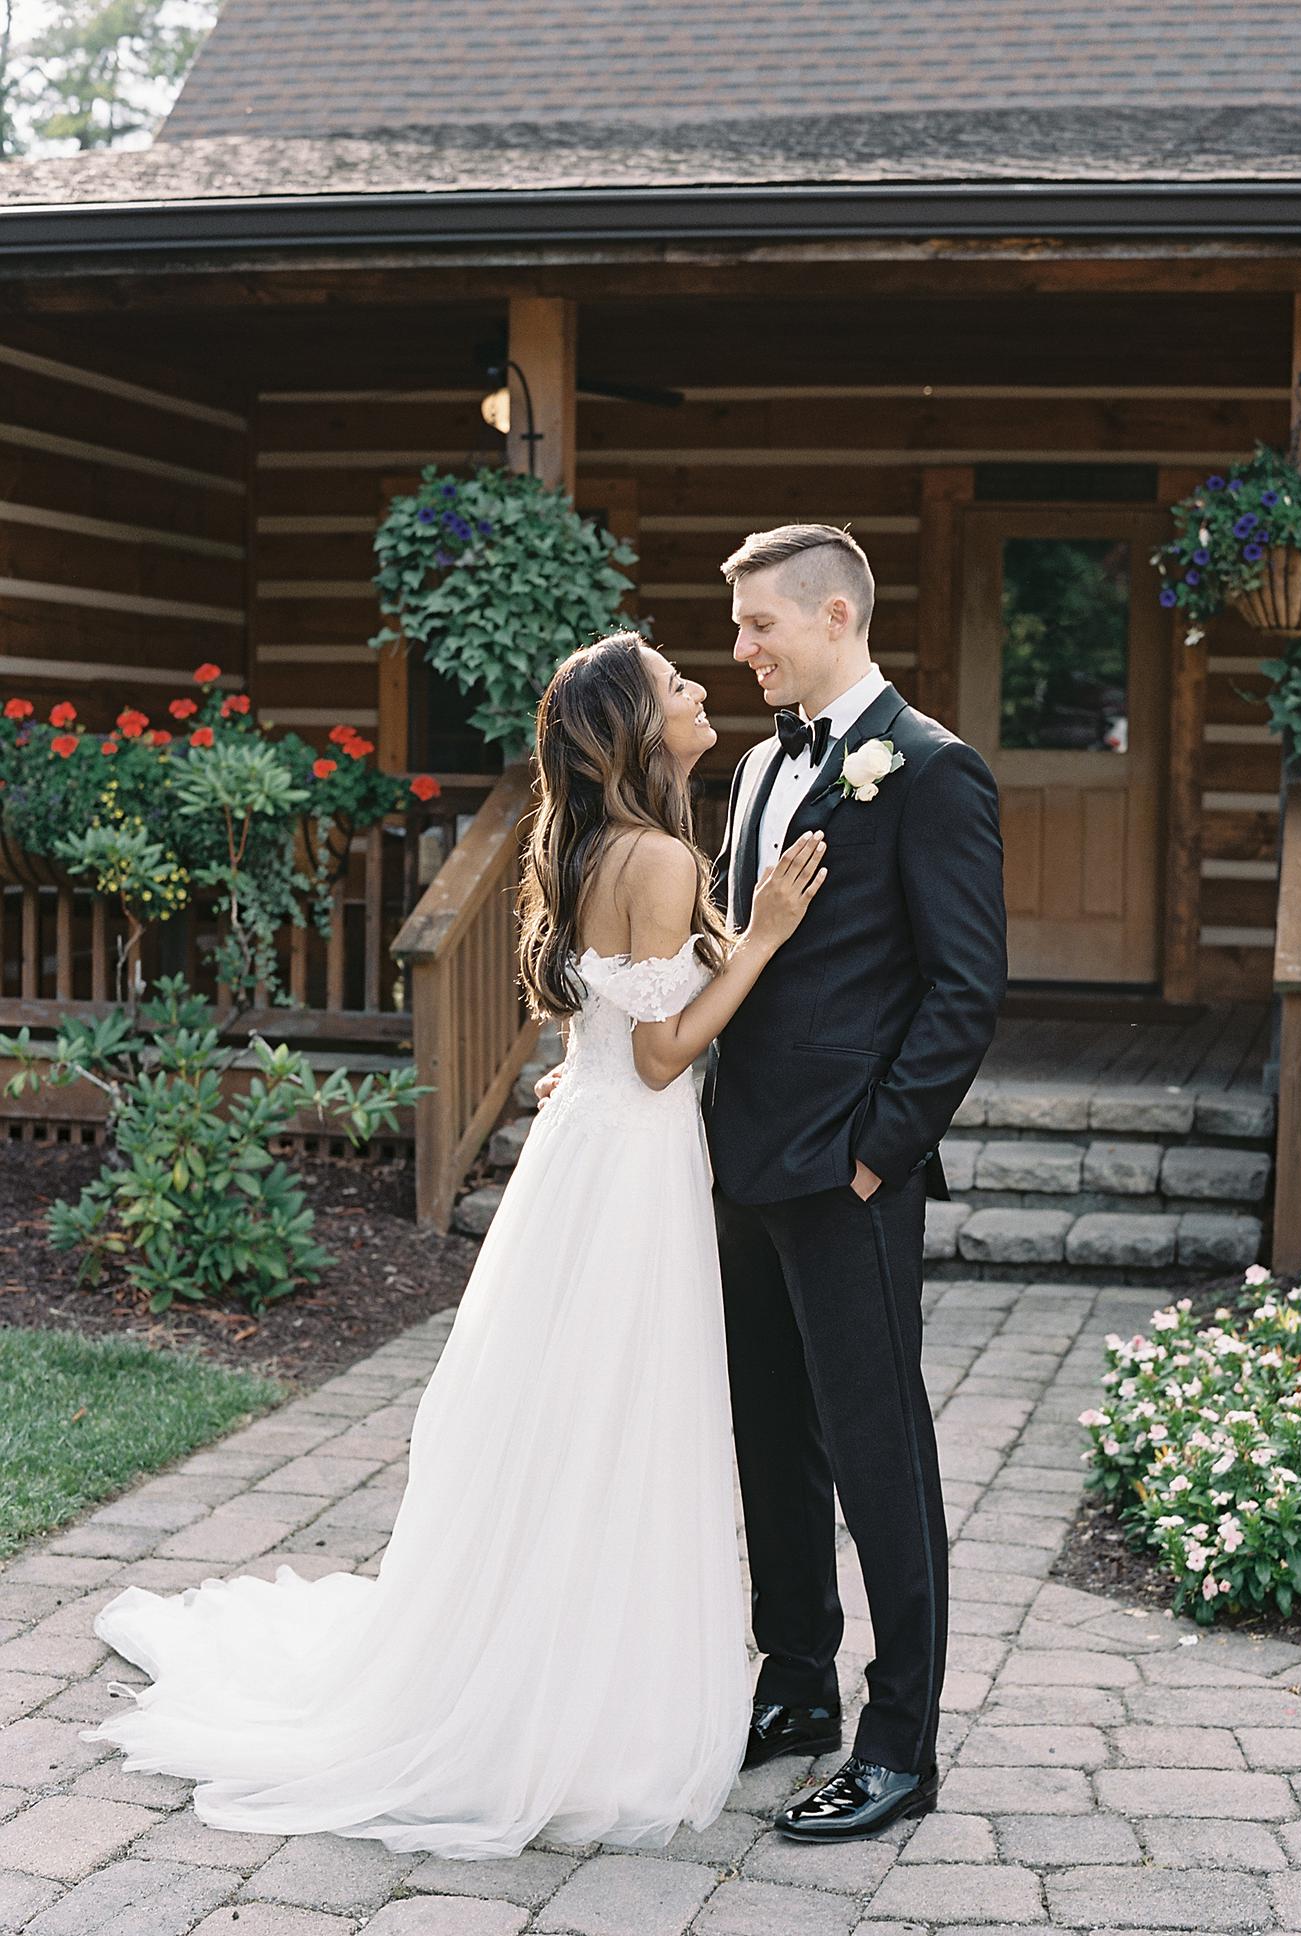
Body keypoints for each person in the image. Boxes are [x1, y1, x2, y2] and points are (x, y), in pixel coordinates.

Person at [80, 629, 827, 1859]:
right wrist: (762, 938)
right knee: (619, 1420)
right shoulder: (652, 852)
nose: (701, 689)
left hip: (594, 1157)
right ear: (636, 728)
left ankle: (558, 1659)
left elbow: (606, 1030)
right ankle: (583, 1705)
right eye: (675, 685)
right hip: (630, 1169)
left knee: (573, 1418)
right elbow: (655, 1052)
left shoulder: (613, 846)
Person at [704, 523, 1008, 1843]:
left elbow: (963, 990)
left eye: (760, 623)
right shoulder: (756, 768)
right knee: (770, 1437)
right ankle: (797, 1686)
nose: (740, 647)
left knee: (881, 1457)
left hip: (848, 1177)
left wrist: (880, 1149)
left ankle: (900, 1740)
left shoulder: (934, 773)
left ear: (835, 616)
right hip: (735, 1159)